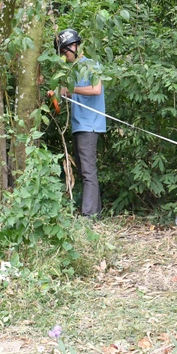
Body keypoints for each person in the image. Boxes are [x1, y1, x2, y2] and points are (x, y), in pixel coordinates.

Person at [51, 28, 106, 217]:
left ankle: (88, 215)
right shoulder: (72, 70)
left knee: (88, 171)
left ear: (73, 46)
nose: (64, 56)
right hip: (79, 125)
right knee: (84, 170)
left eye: (65, 52)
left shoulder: (90, 64)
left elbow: (96, 89)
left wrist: (71, 90)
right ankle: (95, 211)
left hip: (89, 125)